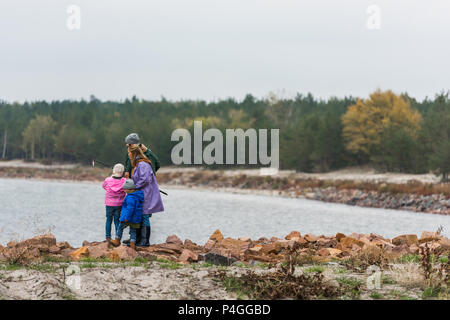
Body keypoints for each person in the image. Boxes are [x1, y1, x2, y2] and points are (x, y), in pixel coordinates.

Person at [127, 144, 164, 247]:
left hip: (146, 193)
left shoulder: (142, 164)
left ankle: (145, 241)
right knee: (141, 215)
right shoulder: (138, 164)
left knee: (145, 216)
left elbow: (145, 179)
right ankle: (139, 239)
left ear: (134, 153)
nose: (128, 154)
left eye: (129, 152)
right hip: (142, 193)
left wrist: (134, 186)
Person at [110, 179, 144, 250]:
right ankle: (132, 244)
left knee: (120, 227)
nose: (124, 190)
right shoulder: (137, 195)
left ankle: (117, 240)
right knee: (133, 231)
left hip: (128, 218)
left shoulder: (130, 197)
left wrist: (126, 218)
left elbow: (130, 209)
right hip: (136, 218)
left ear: (130, 189)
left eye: (125, 189)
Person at [101, 164, 126, 243]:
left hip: (109, 204)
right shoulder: (124, 180)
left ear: (114, 171)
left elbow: (103, 186)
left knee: (108, 220)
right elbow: (127, 189)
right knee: (117, 220)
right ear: (122, 172)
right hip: (119, 204)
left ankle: (108, 237)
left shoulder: (108, 180)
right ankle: (117, 237)